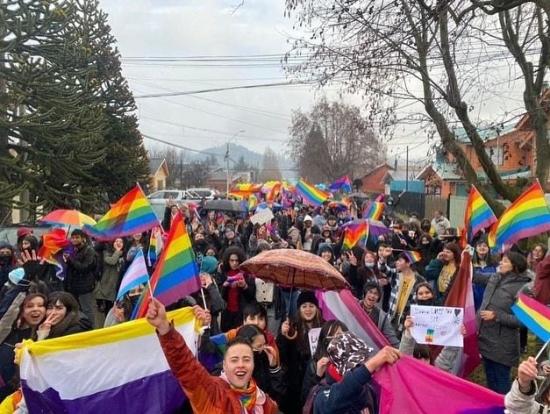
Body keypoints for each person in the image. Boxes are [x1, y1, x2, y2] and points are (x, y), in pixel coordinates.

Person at [147, 298, 278, 413]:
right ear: (225, 365)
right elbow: (186, 368)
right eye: (234, 360)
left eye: (246, 359)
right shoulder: (213, 392)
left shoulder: (263, 401)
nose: (241, 365)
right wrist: (164, 328)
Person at [475, 251, 532, 394]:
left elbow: (523, 321)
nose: (501, 263)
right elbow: (475, 276)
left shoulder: (523, 288)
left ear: (515, 266)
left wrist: (496, 315)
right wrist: (464, 258)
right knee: (491, 382)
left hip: (502, 345)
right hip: (486, 338)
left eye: (505, 261)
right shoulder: (496, 277)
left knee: (501, 385)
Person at [311, 331, 401, 414]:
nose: (363, 366)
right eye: (358, 364)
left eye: (365, 359)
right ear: (339, 368)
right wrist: (370, 365)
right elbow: (340, 396)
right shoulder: (322, 395)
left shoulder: (368, 389)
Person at [277, 290, 324, 414]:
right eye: (304, 306)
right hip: (295, 384)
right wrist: (282, 335)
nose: (308, 309)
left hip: (317, 379)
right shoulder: (291, 327)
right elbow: (282, 355)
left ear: (317, 308)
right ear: (299, 309)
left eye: (311, 306)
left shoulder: (324, 327)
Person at [0, 293, 46, 401]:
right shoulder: (10, 331)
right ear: (22, 311)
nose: (35, 309)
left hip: (25, 397)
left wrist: (42, 336)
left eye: (40, 305)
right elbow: (7, 314)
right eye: (30, 306)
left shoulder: (48, 335)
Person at [234, 324, 286, 407]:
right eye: (259, 346)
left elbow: (278, 393)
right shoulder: (231, 369)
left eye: (264, 345)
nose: (263, 349)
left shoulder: (263, 357)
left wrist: (274, 367)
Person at [301, 320, 349, 405]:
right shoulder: (315, 364)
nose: (335, 340)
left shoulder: (353, 362)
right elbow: (306, 398)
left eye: (339, 335)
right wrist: (318, 376)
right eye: (330, 336)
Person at [382, 252, 426, 335]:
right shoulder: (396, 275)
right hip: (392, 315)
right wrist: (383, 258)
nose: (396, 262)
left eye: (400, 260)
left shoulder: (420, 281)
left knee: (401, 343)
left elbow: (421, 301)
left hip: (406, 319)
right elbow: (383, 268)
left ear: (408, 263)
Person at [63, 229, 98, 328]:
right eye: (72, 237)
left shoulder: (89, 251)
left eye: (77, 237)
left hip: (85, 286)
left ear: (83, 239)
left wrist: (70, 260)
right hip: (74, 286)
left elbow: (84, 267)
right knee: (77, 309)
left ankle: (91, 330)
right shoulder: (74, 250)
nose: (74, 240)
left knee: (87, 309)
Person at [217, 246, 256, 332]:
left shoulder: (247, 273)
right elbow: (220, 296)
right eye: (232, 260)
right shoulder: (223, 273)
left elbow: (251, 296)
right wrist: (225, 286)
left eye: (237, 260)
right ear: (228, 260)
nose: (234, 263)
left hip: (241, 313)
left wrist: (244, 286)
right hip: (227, 313)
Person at [95, 238, 125, 327]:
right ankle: (107, 325)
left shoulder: (125, 254)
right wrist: (118, 251)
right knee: (109, 308)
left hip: (119, 284)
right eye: (116, 241)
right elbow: (112, 261)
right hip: (108, 284)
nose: (118, 243)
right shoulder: (107, 253)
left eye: (121, 242)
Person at [360, 282, 399, 347]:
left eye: (376, 294)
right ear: (365, 293)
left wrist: (403, 352)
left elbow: (392, 338)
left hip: (368, 348)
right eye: (370, 292)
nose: (372, 296)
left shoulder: (382, 316)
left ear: (378, 298)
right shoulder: (354, 304)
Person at [472, 239, 498, 311]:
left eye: (485, 246)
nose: (482, 248)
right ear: (476, 248)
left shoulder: (495, 264)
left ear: (488, 249)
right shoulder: (470, 263)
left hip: (490, 294)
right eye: (479, 246)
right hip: (474, 294)